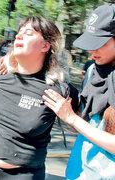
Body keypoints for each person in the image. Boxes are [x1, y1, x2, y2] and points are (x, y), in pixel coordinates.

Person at [0, 16, 68, 180]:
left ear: (45, 45)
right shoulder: (1, 69)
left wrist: (72, 118)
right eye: (19, 32)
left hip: (23, 174)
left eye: (28, 33)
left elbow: (89, 117)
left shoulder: (58, 89)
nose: (18, 36)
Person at [43, 4, 115, 179]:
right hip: (80, 169)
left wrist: (72, 118)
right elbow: (89, 124)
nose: (92, 51)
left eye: (100, 43)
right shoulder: (93, 72)